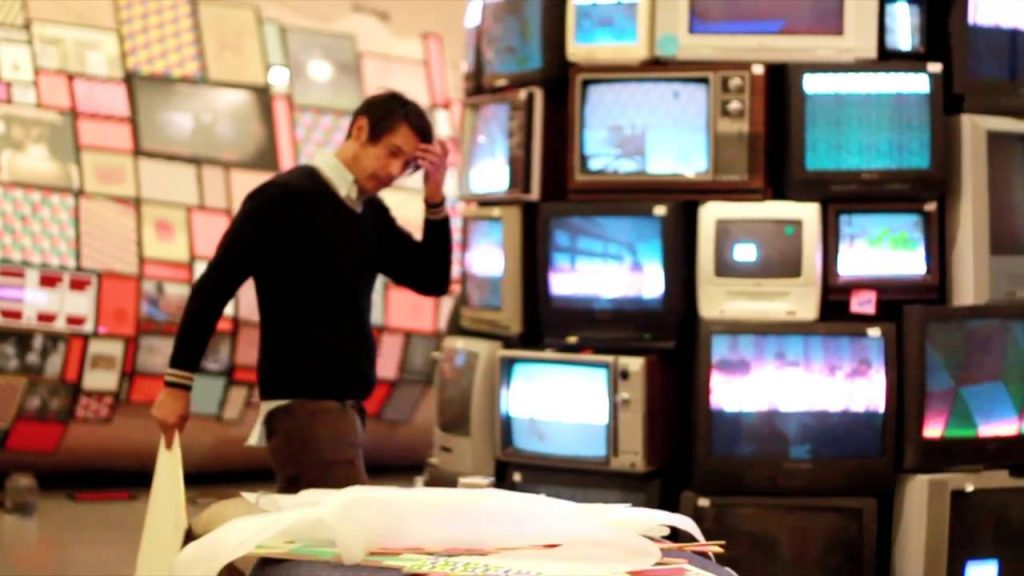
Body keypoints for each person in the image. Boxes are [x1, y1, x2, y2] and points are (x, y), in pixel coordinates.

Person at [150, 91, 452, 493]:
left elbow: (431, 278)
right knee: (345, 525)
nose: (395, 171)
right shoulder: (284, 198)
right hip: (305, 403)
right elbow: (214, 287)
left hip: (342, 407)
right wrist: (177, 384)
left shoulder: (368, 212)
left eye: (408, 165)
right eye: (392, 152)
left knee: (315, 526)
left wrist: (434, 197)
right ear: (360, 130)